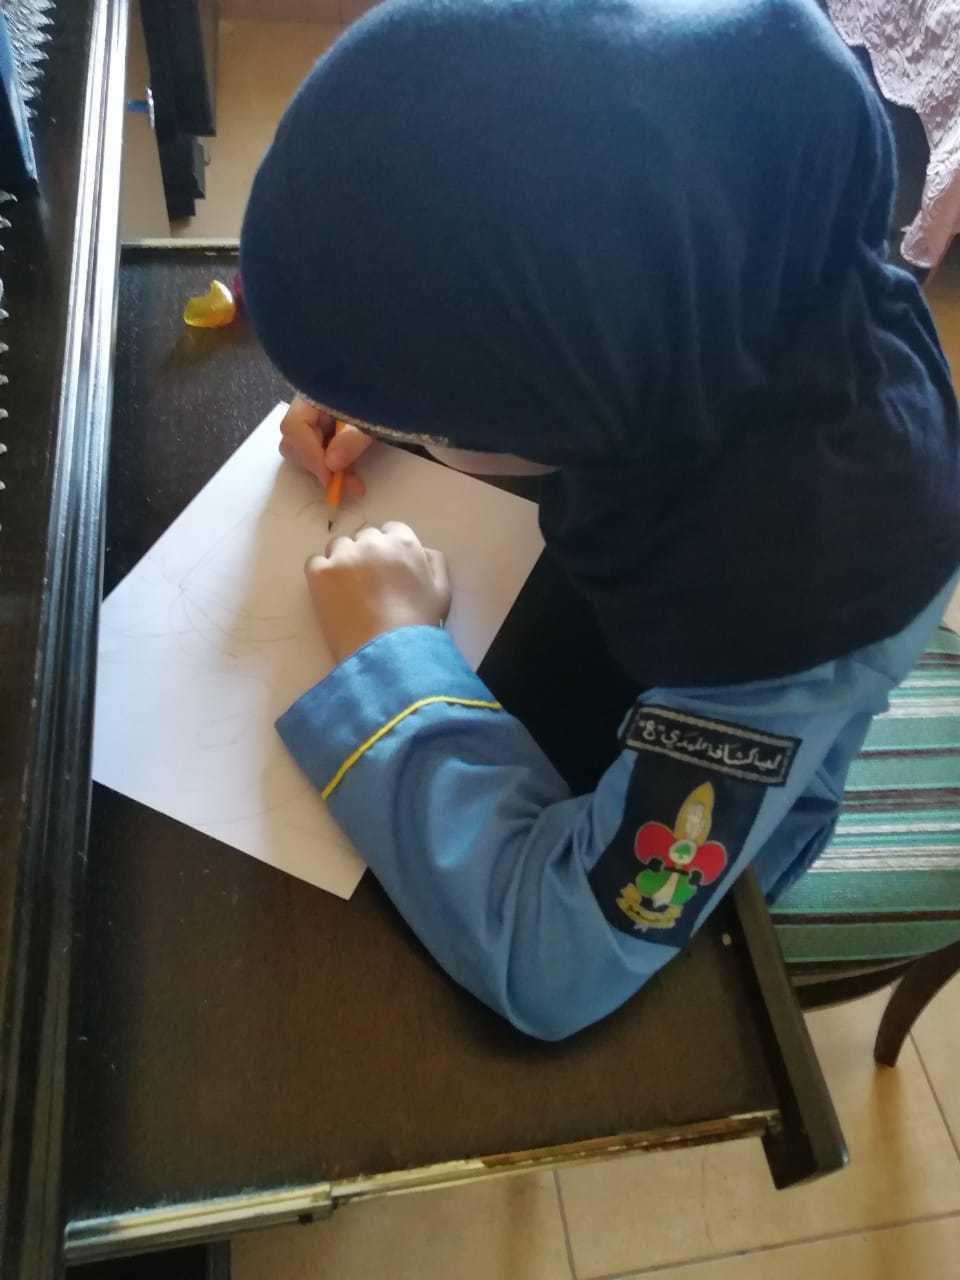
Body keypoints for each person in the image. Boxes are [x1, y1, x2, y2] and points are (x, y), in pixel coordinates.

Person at [239, 0, 960, 1040]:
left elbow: (557, 961)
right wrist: (397, 374)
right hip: (640, 612)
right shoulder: (743, 264)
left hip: (749, 788)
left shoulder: (780, 601)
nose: (415, 431)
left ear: (585, 384)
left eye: (440, 417)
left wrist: (389, 656)